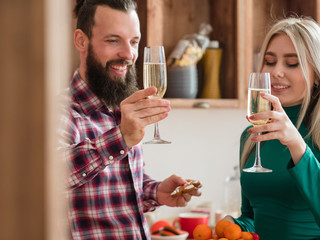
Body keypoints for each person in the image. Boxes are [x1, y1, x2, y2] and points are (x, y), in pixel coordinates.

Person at [58, 0, 202, 239]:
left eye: (134, 41)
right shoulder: (59, 111)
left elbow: (113, 188)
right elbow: (51, 175)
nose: (128, 54)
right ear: (81, 41)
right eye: (113, 40)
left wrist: (155, 192)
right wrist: (121, 138)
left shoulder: (120, 108)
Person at [221, 17, 320, 239]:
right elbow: (252, 217)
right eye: (269, 61)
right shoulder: (252, 137)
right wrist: (236, 226)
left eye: (292, 63)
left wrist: (297, 145)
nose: (276, 72)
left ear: (317, 74)